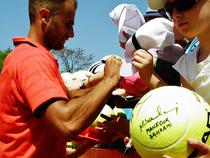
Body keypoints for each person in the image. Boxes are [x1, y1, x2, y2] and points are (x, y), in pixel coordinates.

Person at [0, 0, 122, 158]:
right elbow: (67, 123)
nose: (71, 34)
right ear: (44, 17)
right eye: (68, 24)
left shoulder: (29, 56)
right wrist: (110, 79)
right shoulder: (32, 59)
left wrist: (92, 140)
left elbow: (68, 99)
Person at [132, 0, 210, 157]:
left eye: (183, 2)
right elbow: (185, 110)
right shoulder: (186, 64)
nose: (175, 15)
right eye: (169, 8)